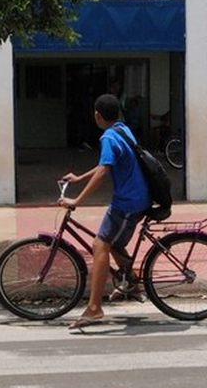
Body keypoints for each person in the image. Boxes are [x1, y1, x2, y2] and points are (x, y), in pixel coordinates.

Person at [59, 93, 150, 329]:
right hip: (135, 197)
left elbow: (103, 172)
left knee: (100, 245)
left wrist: (76, 200)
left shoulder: (108, 137)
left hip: (128, 202)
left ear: (97, 115)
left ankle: (94, 308)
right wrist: (79, 178)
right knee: (112, 242)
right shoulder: (122, 129)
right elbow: (104, 165)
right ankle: (130, 282)